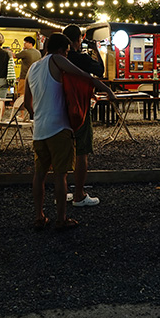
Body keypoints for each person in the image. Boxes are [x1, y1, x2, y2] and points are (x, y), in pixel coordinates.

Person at [27, 33, 114, 231]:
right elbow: (84, 75)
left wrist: (40, 114)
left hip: (39, 130)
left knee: (39, 174)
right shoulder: (57, 60)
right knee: (60, 175)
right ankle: (61, 219)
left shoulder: (33, 67)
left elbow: (27, 103)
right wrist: (107, 90)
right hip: (58, 128)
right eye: (67, 52)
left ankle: (39, 216)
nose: (67, 56)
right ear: (60, 50)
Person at [62, 24, 104, 208]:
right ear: (78, 40)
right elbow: (100, 70)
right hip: (80, 106)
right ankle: (79, 194)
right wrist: (96, 50)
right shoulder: (81, 58)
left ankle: (62, 193)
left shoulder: (56, 59)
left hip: (60, 106)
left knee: (63, 152)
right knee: (82, 150)